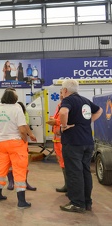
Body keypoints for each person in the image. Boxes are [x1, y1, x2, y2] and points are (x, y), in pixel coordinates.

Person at [59, 79, 102, 213]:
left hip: (73, 142)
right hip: (87, 142)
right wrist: (87, 122)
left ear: (65, 90)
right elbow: (99, 110)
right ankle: (87, 202)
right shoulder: (85, 100)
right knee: (85, 172)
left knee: (74, 173)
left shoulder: (68, 100)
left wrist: (64, 126)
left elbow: (63, 112)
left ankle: (77, 203)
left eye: (61, 90)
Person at [0, 89, 36, 209]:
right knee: (19, 169)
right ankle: (21, 201)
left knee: (1, 168)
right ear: (14, 98)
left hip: (1, 143)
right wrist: (25, 139)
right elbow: (22, 129)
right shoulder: (17, 109)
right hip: (16, 143)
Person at [46, 88, 67, 193]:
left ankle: (70, 187)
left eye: (61, 93)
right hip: (57, 140)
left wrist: (55, 121)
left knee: (67, 163)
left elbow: (67, 120)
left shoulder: (67, 106)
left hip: (64, 140)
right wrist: (52, 120)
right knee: (62, 163)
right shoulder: (59, 105)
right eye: (59, 93)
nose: (60, 95)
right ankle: (67, 185)